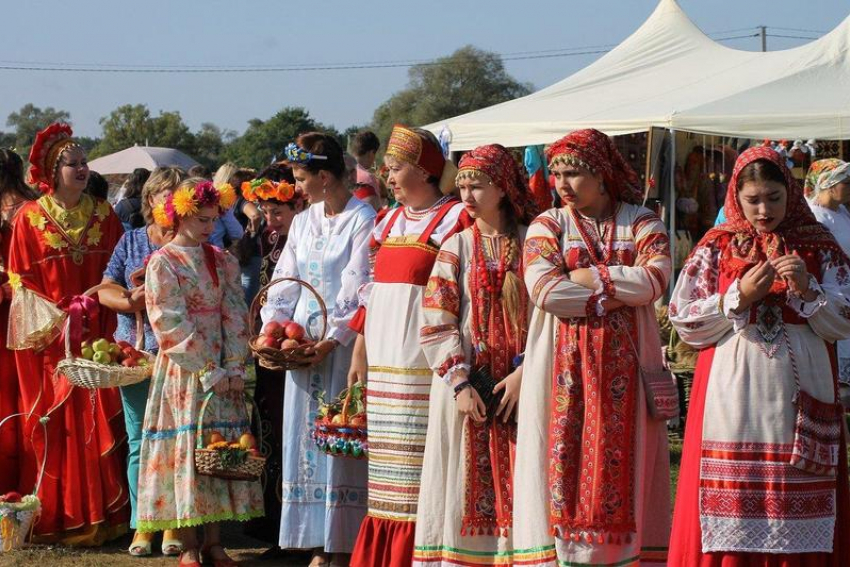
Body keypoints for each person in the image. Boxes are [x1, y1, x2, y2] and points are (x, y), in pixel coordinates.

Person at [668, 147, 850, 564]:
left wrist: (809, 291)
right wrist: (738, 297)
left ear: (790, 193)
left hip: (801, 384)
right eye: (753, 200)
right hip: (733, 390)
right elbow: (684, 319)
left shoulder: (818, 245)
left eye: (774, 197)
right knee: (730, 492)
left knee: (799, 488)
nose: (764, 210)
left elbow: (844, 319)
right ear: (736, 196)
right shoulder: (716, 246)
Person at [514, 129, 672, 566]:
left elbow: (656, 280)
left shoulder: (643, 221)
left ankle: (621, 555)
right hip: (560, 367)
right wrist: (616, 287)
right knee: (559, 453)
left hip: (630, 368)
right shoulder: (548, 224)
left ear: (602, 176)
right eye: (557, 173)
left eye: (575, 173)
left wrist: (587, 278)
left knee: (629, 466)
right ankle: (565, 554)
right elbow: (544, 290)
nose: (563, 184)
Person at [348, 125, 471, 567]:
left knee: (421, 470)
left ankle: (424, 552)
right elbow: (371, 290)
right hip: (383, 362)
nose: (388, 175)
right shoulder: (386, 220)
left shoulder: (457, 218)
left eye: (396, 168)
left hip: (426, 362)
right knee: (385, 476)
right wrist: (359, 351)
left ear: (424, 171)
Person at [414, 144, 537, 565]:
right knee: (463, 479)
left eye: (478, 185)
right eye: (462, 185)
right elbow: (436, 318)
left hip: (527, 383)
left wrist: (529, 372)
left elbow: (550, 315)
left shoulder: (534, 242)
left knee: (526, 476)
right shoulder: (457, 247)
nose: (467, 195)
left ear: (503, 188)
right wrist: (460, 382)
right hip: (468, 388)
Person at [8, 123, 128, 544]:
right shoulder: (29, 218)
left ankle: (107, 516)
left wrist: (99, 308)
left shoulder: (104, 213)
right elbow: (21, 283)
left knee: (100, 422)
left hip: (98, 334)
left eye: (84, 162)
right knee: (59, 425)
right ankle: (60, 516)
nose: (81, 169)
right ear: (52, 170)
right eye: (72, 163)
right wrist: (59, 321)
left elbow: (116, 272)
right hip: (51, 340)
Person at [137, 177, 263, 567]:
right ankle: (188, 541)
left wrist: (234, 363)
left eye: (213, 219)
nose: (210, 228)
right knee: (187, 451)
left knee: (219, 450)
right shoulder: (163, 261)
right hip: (185, 367)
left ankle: (214, 540)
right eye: (201, 220)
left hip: (221, 362)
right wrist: (206, 368)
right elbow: (167, 319)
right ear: (179, 216)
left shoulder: (221, 259)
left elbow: (235, 313)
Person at [261, 132, 374, 566]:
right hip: (298, 345)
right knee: (304, 439)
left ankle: (342, 543)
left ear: (325, 177)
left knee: (341, 434)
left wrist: (334, 339)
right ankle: (314, 544)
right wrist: (272, 326)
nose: (296, 185)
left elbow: (357, 283)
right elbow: (286, 276)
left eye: (301, 177)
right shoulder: (305, 219)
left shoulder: (362, 217)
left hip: (341, 347)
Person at [100, 166, 186, 557]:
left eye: (177, 193)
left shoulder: (190, 242)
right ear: (149, 200)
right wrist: (127, 301)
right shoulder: (131, 241)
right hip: (134, 354)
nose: (170, 201)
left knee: (174, 441)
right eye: (163, 194)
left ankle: (172, 526)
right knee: (139, 442)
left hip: (178, 354)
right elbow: (105, 286)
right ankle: (142, 525)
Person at [239, 173, 305, 552]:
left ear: (297, 206)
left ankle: (297, 528)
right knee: (268, 432)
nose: (270, 219)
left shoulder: (308, 239)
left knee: (293, 433)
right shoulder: (266, 238)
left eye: (277, 211)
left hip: (298, 348)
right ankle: (272, 527)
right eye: (265, 211)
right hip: (270, 351)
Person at [0, 148, 38, 494]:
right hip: (30, 312)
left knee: (12, 397)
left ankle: (15, 480)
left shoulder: (19, 212)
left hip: (12, 313)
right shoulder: (32, 205)